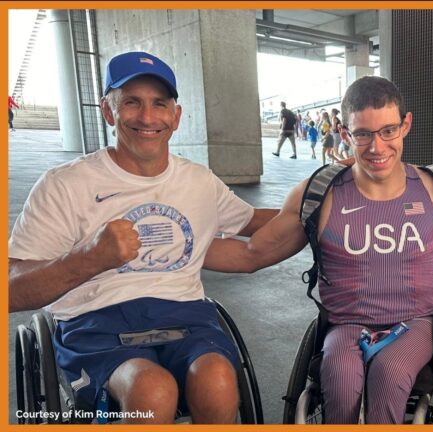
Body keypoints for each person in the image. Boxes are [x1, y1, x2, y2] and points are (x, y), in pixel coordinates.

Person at [204, 75, 433, 424]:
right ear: (345, 133)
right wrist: (173, 250)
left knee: (389, 372)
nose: (377, 147)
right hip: (345, 323)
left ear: (406, 125)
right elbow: (252, 254)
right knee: (340, 380)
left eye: (388, 131)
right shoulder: (319, 194)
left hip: (415, 322)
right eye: (363, 134)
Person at [8, 51, 278, 424]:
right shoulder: (64, 184)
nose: (148, 117)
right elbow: (11, 289)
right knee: (152, 391)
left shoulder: (198, 181)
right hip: (95, 320)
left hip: (184, 311)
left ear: (176, 116)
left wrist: (331, 202)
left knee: (217, 380)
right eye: (132, 102)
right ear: (108, 110)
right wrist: (89, 257)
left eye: (159, 104)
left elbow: (255, 224)